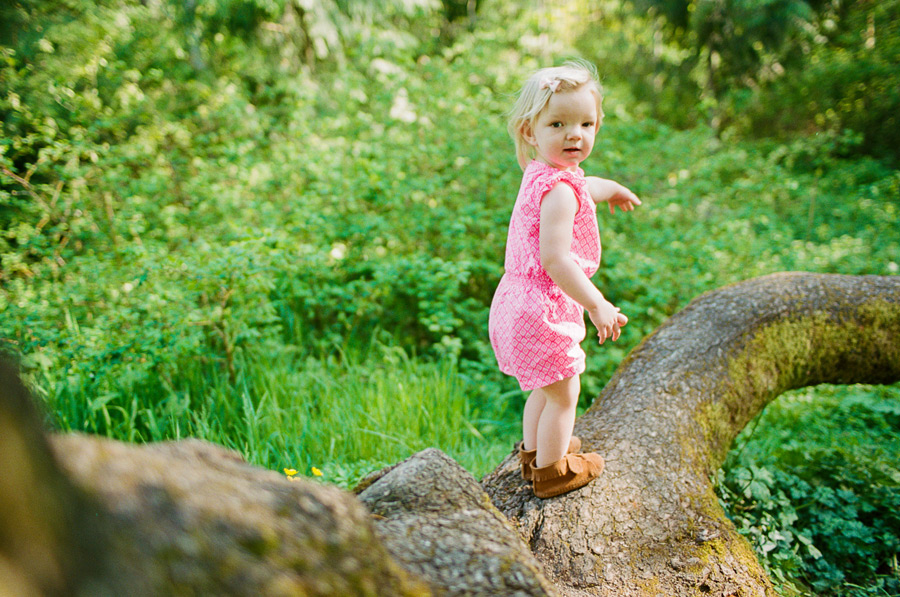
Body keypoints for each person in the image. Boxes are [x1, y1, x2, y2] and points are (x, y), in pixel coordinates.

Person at [488, 60, 641, 499]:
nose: (575, 133)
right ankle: (553, 472)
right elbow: (556, 259)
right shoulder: (556, 189)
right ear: (530, 131)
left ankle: (534, 453)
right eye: (558, 123)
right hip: (541, 308)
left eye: (585, 123)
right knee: (564, 392)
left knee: (545, 383)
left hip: (517, 300)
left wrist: (610, 188)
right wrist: (597, 303)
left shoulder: (545, 173)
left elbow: (581, 185)